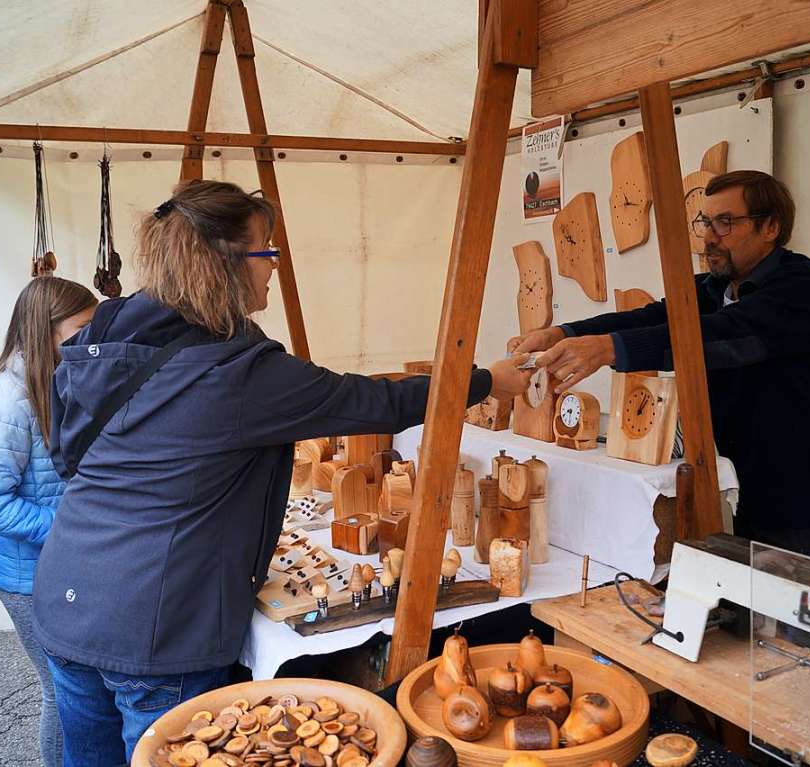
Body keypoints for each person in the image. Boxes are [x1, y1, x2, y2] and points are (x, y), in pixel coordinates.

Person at [31, 180, 532, 764]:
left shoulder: (108, 337)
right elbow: (376, 402)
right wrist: (487, 381)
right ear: (225, 264)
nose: (272, 269)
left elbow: (68, 455)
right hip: (157, 626)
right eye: (266, 252)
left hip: (68, 596)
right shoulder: (236, 375)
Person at [512, 170, 810, 566]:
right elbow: (651, 320)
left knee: (790, 624)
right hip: (756, 487)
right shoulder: (714, 288)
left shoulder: (802, 286)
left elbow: (718, 337)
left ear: (771, 226)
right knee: (753, 618)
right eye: (705, 221)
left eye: (725, 222)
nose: (709, 235)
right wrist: (562, 333)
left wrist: (607, 350)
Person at [0, 276, 97, 767]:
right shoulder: (6, 398)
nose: (92, 338)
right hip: (26, 576)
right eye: (82, 327)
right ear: (47, 330)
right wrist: (68, 530)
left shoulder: (57, 380)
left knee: (76, 691)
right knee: (61, 695)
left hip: (60, 564)